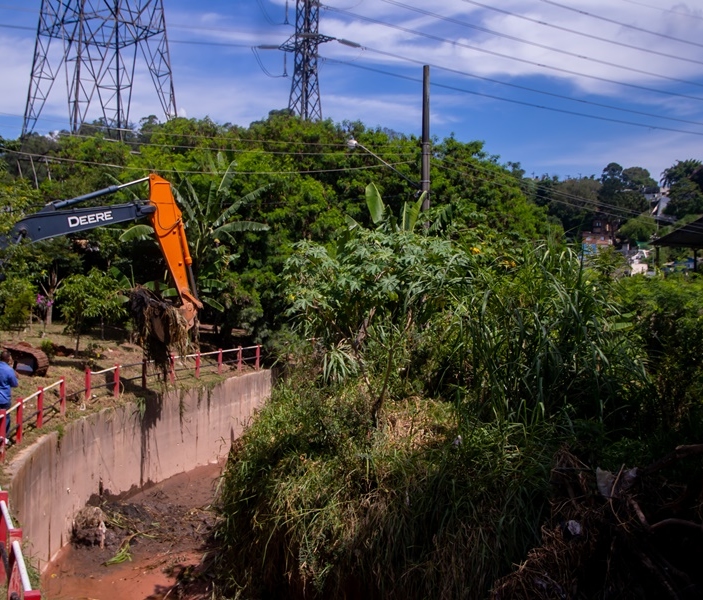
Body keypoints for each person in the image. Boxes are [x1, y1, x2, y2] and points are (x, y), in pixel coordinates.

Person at [0, 350, 18, 443]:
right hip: (4, 399)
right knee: (5, 417)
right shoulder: (8, 370)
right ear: (8, 359)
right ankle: (3, 438)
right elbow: (15, 384)